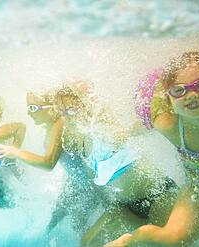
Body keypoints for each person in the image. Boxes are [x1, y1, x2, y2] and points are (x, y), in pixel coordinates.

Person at [105, 51, 199, 246]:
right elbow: (143, 119)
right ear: (169, 98)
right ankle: (130, 241)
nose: (192, 95)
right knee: (169, 241)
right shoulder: (170, 126)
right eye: (179, 90)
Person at [50, 83, 178, 247]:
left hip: (158, 195)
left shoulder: (101, 127)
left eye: (71, 110)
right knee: (88, 243)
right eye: (62, 112)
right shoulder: (79, 141)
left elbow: (132, 130)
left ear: (83, 106)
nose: (67, 117)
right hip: (127, 206)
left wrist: (155, 117)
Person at [0, 89, 106, 235]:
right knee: (53, 219)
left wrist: (16, 152)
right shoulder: (51, 126)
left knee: (78, 223)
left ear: (51, 108)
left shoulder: (60, 124)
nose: (29, 113)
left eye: (33, 108)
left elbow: (48, 163)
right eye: (28, 108)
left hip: (90, 186)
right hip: (74, 181)